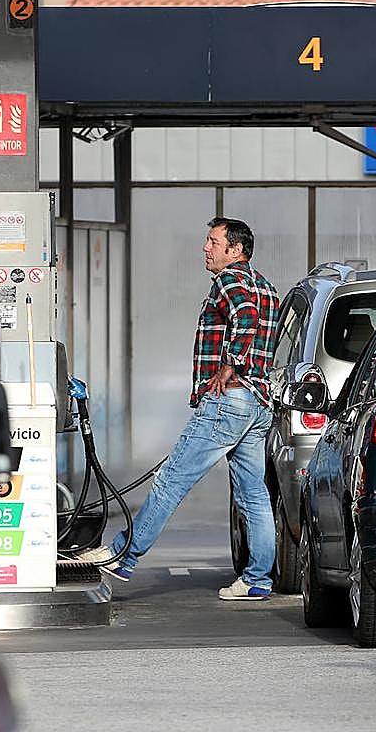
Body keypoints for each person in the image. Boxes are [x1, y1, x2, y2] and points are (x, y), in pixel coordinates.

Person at [78, 217, 281, 601]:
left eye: (213, 242)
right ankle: (257, 579)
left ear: (236, 250)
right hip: (257, 402)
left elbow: (246, 318)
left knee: (171, 480)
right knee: (253, 494)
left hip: (228, 401)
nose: (206, 248)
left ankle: (124, 555)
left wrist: (229, 364)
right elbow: (257, 323)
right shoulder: (267, 286)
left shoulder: (229, 280)